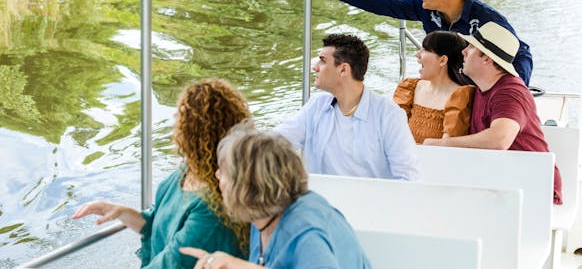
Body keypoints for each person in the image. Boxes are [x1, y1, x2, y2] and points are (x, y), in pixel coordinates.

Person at [72, 78, 251, 268]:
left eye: (180, 119)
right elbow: (156, 226)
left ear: (196, 132)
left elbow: (172, 262)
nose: (174, 127)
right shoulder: (186, 172)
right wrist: (121, 212)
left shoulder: (212, 209)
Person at [180, 126, 372, 269]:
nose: (216, 175)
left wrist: (241, 266)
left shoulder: (305, 230)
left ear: (248, 185)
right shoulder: (262, 218)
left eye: (224, 171)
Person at [311, 0, 533, 86]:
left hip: (476, 88)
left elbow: (521, 52)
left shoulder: (487, 20)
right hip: (447, 85)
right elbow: (384, 3)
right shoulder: (425, 8)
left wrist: (516, 89)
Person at [423, 22, 562, 204]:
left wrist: (443, 144)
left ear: (487, 58)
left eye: (471, 47)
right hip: (502, 181)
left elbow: (499, 139)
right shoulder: (482, 88)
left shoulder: (510, 91)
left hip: (534, 189)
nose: (463, 52)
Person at [274, 33, 419, 180]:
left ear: (343, 70)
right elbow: (275, 142)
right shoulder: (316, 105)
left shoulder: (389, 115)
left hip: (370, 202)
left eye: (323, 61)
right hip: (319, 201)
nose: (315, 67)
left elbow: (407, 178)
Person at [393, 31, 475, 144]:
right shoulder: (408, 87)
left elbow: (446, 147)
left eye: (425, 49)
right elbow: (391, 133)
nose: (417, 54)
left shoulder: (460, 96)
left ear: (443, 60)